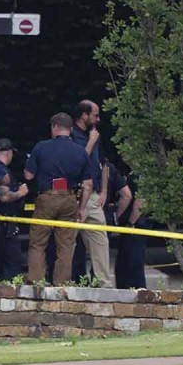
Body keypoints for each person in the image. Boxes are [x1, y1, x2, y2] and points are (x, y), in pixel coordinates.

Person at [24, 112, 93, 285]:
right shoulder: (81, 151)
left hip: (47, 197)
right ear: (71, 129)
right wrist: (82, 207)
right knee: (66, 246)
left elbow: (29, 175)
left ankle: (36, 281)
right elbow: (88, 184)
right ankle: (61, 284)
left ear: (54, 127)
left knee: (38, 242)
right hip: (69, 198)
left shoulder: (42, 147)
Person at [71, 100, 112, 287]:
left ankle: (103, 282)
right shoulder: (71, 135)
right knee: (69, 239)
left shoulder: (94, 135)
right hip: (75, 193)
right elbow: (77, 162)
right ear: (84, 115)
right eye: (95, 115)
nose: (98, 119)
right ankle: (64, 279)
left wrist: (104, 190)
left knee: (100, 237)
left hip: (93, 193)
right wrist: (91, 142)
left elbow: (103, 164)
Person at [0, 138, 28, 281]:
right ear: (8, 153)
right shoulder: (1, 170)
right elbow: (4, 197)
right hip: (5, 222)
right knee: (12, 262)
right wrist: (21, 193)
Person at [104, 162, 145, 289]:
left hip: (134, 226)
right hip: (128, 226)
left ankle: (136, 292)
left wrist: (130, 222)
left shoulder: (141, 175)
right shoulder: (132, 173)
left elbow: (140, 201)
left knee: (132, 264)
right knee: (124, 263)